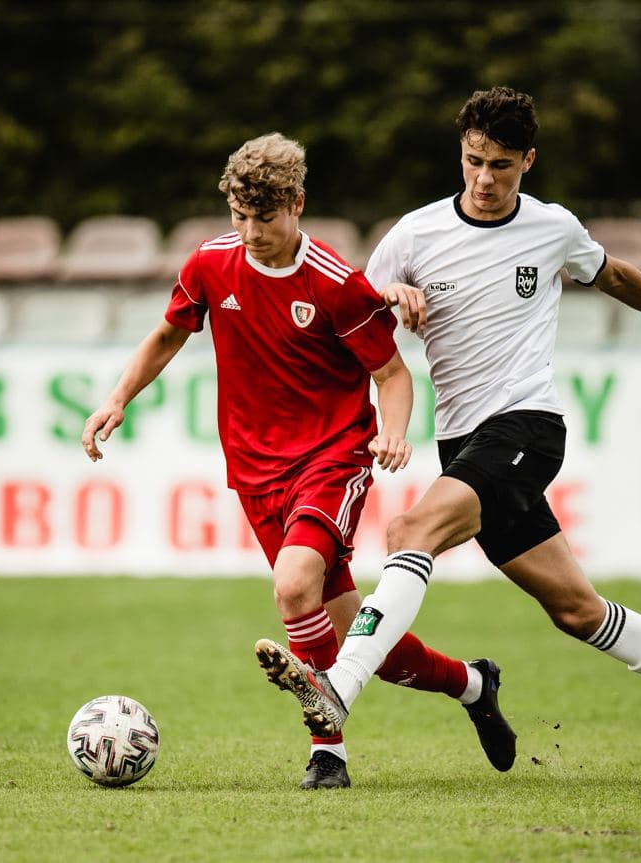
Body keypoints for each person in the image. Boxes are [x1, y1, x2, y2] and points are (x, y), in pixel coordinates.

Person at [256, 86, 641, 775]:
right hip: (464, 444)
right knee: (577, 611)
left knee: (410, 532)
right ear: (461, 152)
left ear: (528, 161)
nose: (484, 179)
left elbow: (611, 274)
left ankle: (341, 685)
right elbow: (351, 309)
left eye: (501, 166)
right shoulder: (415, 234)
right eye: (474, 161)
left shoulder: (552, 226)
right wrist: (389, 293)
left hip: (527, 427)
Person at [82, 132, 516, 790]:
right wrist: (117, 398)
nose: (252, 233)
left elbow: (392, 373)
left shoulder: (337, 284)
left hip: (331, 458)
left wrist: (393, 433)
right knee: (361, 642)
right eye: (239, 216)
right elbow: (169, 332)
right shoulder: (211, 264)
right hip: (254, 471)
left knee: (292, 587)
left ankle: (327, 753)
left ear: (297, 205)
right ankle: (473, 683)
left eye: (265, 217)